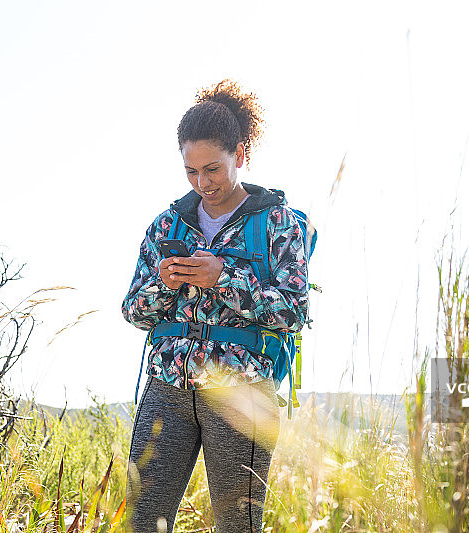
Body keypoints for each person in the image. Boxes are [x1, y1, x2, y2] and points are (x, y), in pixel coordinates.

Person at [121, 79, 310, 532]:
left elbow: (293, 312)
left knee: (237, 526)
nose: (203, 183)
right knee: (140, 522)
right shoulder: (168, 223)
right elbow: (133, 311)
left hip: (240, 394)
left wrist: (222, 279)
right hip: (167, 388)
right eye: (191, 171)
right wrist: (165, 285)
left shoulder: (279, 223)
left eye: (213, 169)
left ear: (239, 156)